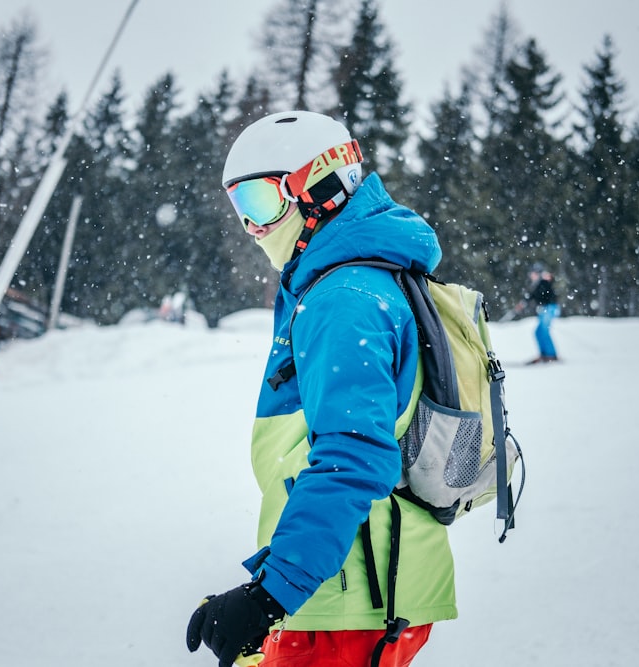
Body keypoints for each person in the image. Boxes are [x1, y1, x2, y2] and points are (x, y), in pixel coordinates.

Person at [185, 111, 456, 667]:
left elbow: (352, 457)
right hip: (357, 586)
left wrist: (269, 596)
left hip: (351, 599)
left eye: (261, 204)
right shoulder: (361, 281)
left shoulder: (345, 299)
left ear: (321, 189)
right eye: (242, 211)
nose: (254, 229)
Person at [518, 262, 560, 363]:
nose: (531, 275)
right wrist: (523, 303)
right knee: (538, 332)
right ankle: (544, 354)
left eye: (533, 273)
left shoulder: (543, 281)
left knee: (544, 331)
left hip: (550, 308)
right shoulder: (537, 283)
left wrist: (549, 277)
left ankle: (551, 355)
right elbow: (532, 295)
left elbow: (550, 282)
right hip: (544, 309)